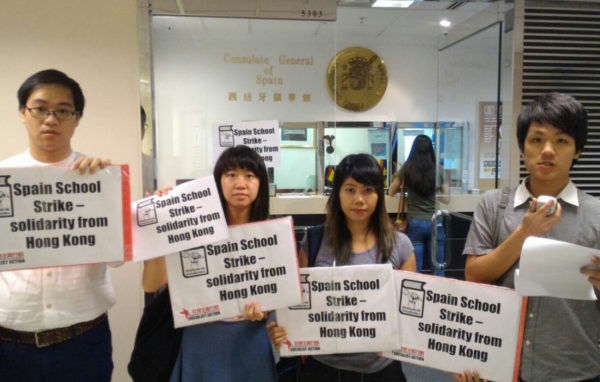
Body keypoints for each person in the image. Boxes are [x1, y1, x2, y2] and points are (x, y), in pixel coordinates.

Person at [463, 92, 600, 382]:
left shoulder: (596, 214)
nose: (547, 150)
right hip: (501, 364)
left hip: (573, 367)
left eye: (561, 141)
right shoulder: (493, 205)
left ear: (577, 150)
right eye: (537, 140)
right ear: (523, 147)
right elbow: (474, 275)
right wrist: (525, 233)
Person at [0, 69, 114, 381]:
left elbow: (118, 256)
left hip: (83, 343)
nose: (51, 119)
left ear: (77, 118)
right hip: (8, 346)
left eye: (63, 111)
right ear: (23, 113)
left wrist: (103, 191)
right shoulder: (2, 178)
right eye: (40, 109)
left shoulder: (101, 178)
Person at [268, 153, 416, 382]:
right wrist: (283, 330)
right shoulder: (315, 241)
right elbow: (296, 306)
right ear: (337, 194)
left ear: (379, 195)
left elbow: (409, 315)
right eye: (350, 189)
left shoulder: (400, 246)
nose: (359, 199)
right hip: (322, 369)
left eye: (368, 190)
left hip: (381, 371)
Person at [142, 145, 277, 382]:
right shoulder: (195, 227)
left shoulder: (274, 234)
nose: (240, 183)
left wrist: (263, 314)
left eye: (250, 175)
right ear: (218, 181)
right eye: (231, 174)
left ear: (261, 183)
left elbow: (280, 301)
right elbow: (151, 284)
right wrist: (158, 224)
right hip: (202, 341)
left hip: (250, 341)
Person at [388, 135, 450, 275]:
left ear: (413, 149)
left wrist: (397, 174)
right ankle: (438, 294)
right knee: (438, 267)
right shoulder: (438, 169)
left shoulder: (407, 168)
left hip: (415, 222)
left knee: (415, 269)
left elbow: (391, 191)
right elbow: (446, 199)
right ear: (431, 150)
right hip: (435, 221)